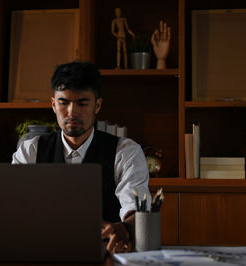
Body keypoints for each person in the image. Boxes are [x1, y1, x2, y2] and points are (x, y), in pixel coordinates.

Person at [12, 61, 151, 254]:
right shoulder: (30, 151)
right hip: (42, 253)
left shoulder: (125, 152)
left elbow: (138, 211)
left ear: (97, 105)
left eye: (82, 103)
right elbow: (13, 208)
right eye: (64, 103)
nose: (72, 112)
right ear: (53, 104)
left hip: (106, 254)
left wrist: (125, 228)